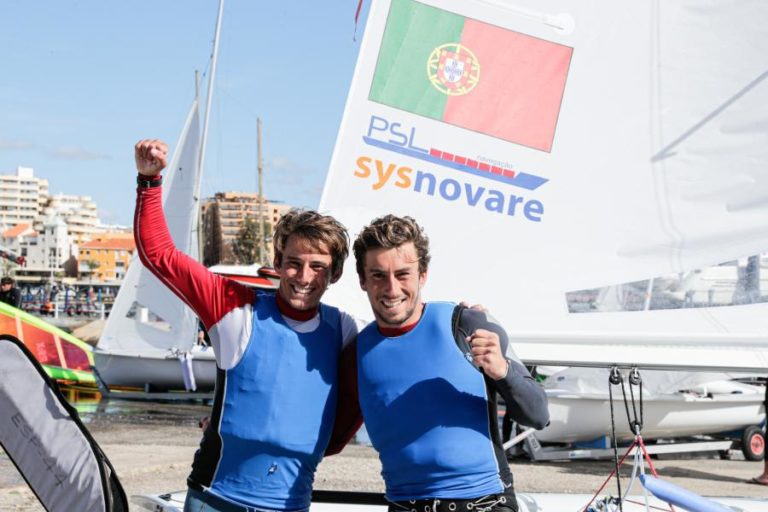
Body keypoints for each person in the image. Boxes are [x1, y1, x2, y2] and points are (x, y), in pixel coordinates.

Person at [133, 139, 362, 512]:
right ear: (277, 261)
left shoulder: (344, 332)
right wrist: (149, 180)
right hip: (214, 500)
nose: (304, 277)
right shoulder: (236, 310)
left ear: (334, 274)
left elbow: (371, 393)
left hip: (290, 505)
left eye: (317, 266)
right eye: (293, 262)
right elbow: (160, 256)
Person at [352, 214, 549, 512]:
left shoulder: (466, 324)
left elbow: (538, 415)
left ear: (423, 275)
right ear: (363, 280)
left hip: (484, 504)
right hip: (404, 505)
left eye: (403, 274)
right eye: (378, 275)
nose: (391, 289)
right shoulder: (358, 348)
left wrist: (502, 372)